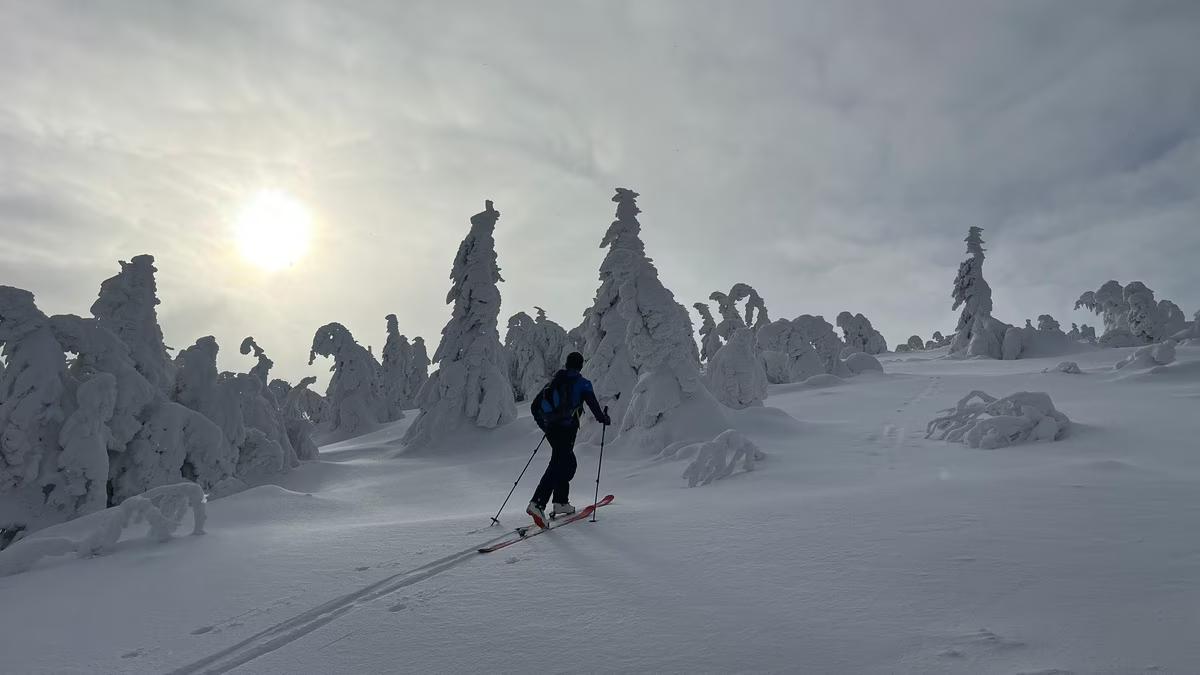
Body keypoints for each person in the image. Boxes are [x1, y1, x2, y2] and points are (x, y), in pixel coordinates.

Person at [526, 351, 610, 528]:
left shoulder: (555, 382)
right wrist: (604, 418)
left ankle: (560, 502)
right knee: (558, 464)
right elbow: (593, 405)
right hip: (566, 431)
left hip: (552, 430)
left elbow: (535, 407)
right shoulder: (582, 384)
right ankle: (537, 503)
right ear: (580, 365)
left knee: (568, 463)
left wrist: (546, 427)